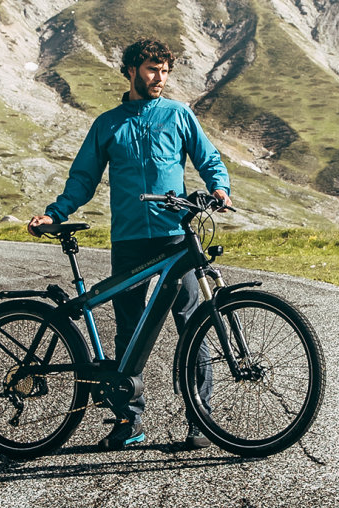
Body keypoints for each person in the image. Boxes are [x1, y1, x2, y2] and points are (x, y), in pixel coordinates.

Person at [28, 38, 232, 451]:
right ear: (132, 70)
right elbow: (83, 179)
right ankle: (128, 421)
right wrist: (56, 213)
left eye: (165, 71)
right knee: (128, 332)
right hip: (129, 241)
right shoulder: (108, 123)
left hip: (176, 236)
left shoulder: (178, 115)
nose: (160, 78)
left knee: (193, 324)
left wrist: (219, 188)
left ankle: (201, 419)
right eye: (153, 70)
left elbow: (208, 159)